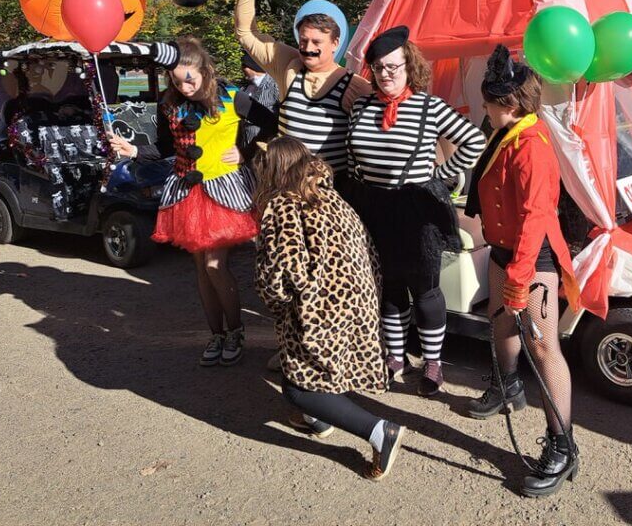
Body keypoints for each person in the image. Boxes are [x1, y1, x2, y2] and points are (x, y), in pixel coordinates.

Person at [464, 45, 583, 498]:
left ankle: (562, 443)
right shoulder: (507, 132)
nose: (484, 110)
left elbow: (535, 217)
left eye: (489, 103)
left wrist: (519, 278)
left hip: (533, 258)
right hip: (504, 249)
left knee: (544, 345)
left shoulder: (532, 146)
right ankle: (507, 386)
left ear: (508, 105)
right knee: (500, 323)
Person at [253, 136, 405, 480]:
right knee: (324, 369)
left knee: (298, 385)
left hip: (317, 309)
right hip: (355, 299)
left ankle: (380, 430)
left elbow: (284, 271)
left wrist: (273, 300)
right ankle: (318, 419)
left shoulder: (283, 206)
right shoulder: (329, 193)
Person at [345, 26, 486, 396]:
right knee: (389, 287)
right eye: (378, 68)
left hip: (417, 211)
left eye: (393, 67)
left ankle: (433, 363)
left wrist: (438, 178)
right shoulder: (362, 105)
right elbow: (351, 153)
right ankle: (395, 356)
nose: (386, 74)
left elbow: (474, 140)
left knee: (425, 290)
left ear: (409, 66)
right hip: (374, 207)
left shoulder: (429, 106)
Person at [108, 38, 266, 367]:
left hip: (226, 191)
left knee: (214, 265)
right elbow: (164, 147)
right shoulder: (170, 106)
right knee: (201, 269)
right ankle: (216, 334)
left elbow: (272, 123)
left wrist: (246, 151)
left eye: (190, 79)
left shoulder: (234, 97)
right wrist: (133, 150)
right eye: (177, 81)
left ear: (205, 70)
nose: (185, 86)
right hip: (186, 193)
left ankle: (236, 331)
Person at [234, 0, 370, 188]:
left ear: (335, 43)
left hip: (330, 194)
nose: (307, 47)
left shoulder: (354, 85)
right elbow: (246, 32)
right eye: (303, 40)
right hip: (285, 186)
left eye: (316, 41)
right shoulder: (289, 65)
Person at [238, 51, 280, 148]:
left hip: (267, 147)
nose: (243, 69)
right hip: (246, 147)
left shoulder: (275, 86)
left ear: (251, 66)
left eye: (244, 66)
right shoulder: (245, 88)